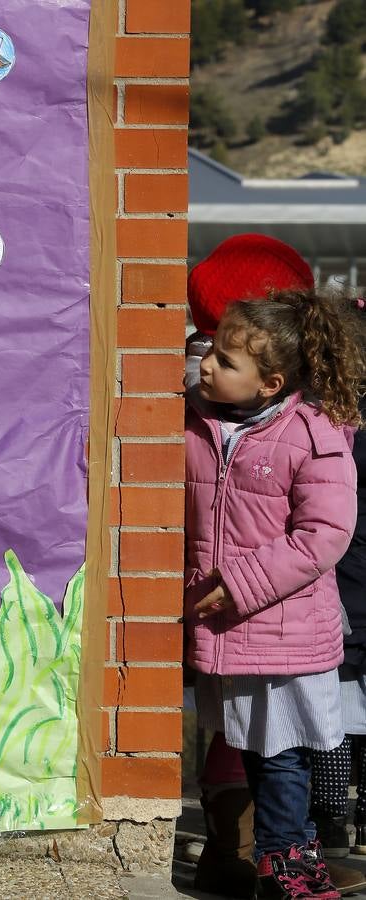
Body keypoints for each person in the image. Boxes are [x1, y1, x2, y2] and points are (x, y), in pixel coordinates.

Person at [186, 288, 364, 899]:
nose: (207, 364)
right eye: (210, 350)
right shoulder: (196, 422)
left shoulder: (313, 434)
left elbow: (324, 535)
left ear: (271, 383)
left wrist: (240, 585)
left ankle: (285, 860)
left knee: (281, 753)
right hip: (226, 626)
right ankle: (264, 855)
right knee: (249, 746)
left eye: (227, 361)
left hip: (281, 624)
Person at [309, 299, 366, 859]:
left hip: (341, 576)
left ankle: (330, 822)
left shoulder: (320, 413)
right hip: (349, 574)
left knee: (335, 713)